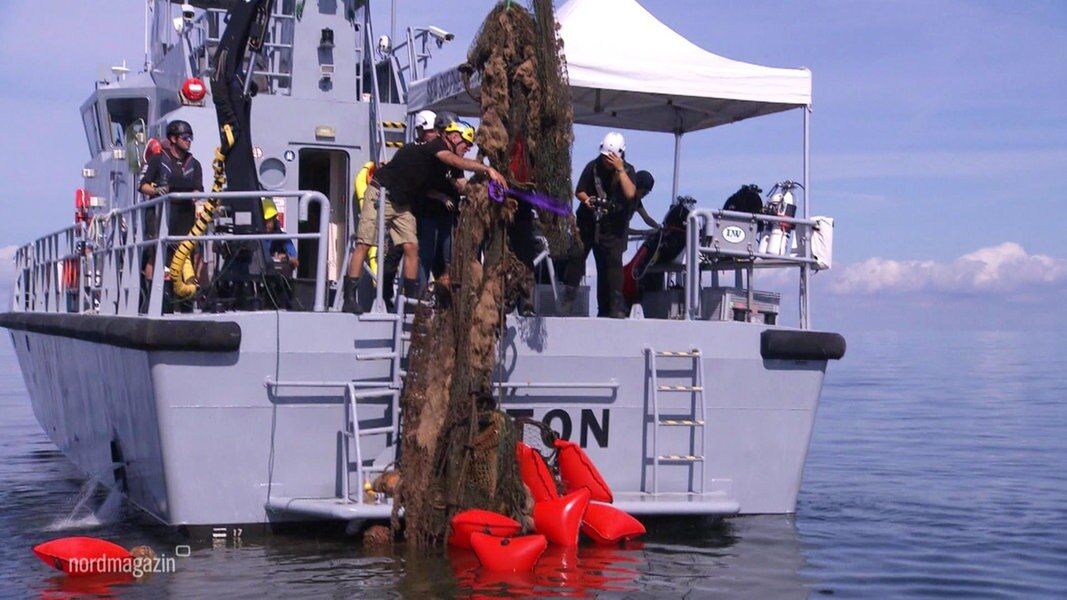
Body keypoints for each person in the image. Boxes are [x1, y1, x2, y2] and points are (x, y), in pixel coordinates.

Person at [343, 116, 507, 313]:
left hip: (403, 203)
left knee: (412, 246)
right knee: (364, 243)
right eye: (466, 143)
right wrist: (488, 169)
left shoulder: (448, 163)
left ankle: (413, 302)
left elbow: (461, 185)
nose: (468, 148)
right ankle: (349, 298)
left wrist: (486, 189)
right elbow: (455, 160)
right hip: (381, 193)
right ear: (454, 137)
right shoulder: (435, 147)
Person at [138, 120, 203, 310]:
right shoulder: (158, 160)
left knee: (187, 256)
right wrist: (157, 191)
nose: (189, 141)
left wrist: (197, 198)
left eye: (191, 138)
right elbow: (143, 185)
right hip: (160, 217)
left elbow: (198, 189)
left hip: (185, 217)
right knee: (157, 254)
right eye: (185, 138)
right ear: (173, 139)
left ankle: (186, 299)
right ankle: (154, 297)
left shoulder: (194, 164)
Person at [574, 132, 637, 318]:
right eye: (605, 157)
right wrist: (587, 201)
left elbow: (630, 193)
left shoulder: (628, 170)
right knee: (578, 257)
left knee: (612, 265)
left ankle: (614, 305)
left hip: (614, 228)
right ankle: (569, 296)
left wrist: (620, 169)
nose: (606, 161)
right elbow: (580, 191)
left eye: (611, 157)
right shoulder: (592, 168)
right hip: (590, 223)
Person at [261, 198, 298, 273]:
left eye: (269, 221)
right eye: (264, 221)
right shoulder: (254, 238)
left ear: (274, 219)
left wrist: (285, 258)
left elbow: (296, 262)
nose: (266, 224)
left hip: (278, 278)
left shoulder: (283, 238)